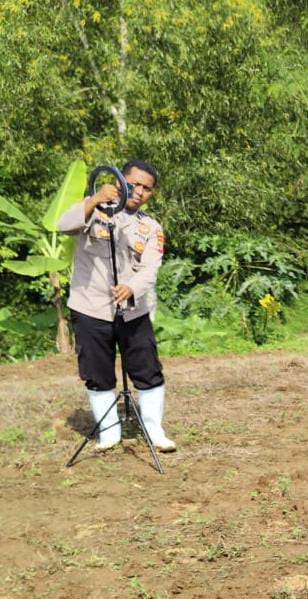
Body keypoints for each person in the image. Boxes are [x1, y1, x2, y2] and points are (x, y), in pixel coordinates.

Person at [57, 160, 175, 453]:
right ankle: (109, 432)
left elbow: (150, 268)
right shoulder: (93, 209)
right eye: (134, 184)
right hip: (90, 307)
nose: (139, 192)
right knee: (97, 373)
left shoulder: (150, 227)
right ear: (121, 180)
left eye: (147, 189)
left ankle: (153, 429)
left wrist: (131, 287)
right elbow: (64, 225)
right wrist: (95, 199)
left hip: (133, 309)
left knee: (147, 369)